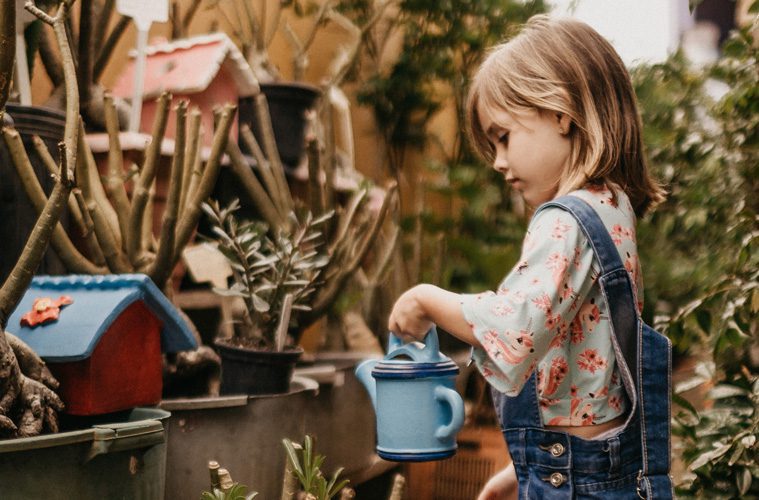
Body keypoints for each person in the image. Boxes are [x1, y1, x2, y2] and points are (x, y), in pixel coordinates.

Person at [387, 14, 673, 499]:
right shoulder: (611, 207)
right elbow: (593, 382)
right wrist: (526, 472)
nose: (498, 161)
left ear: (561, 114)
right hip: (603, 472)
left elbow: (516, 329)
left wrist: (426, 300)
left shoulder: (565, 219)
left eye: (503, 137)